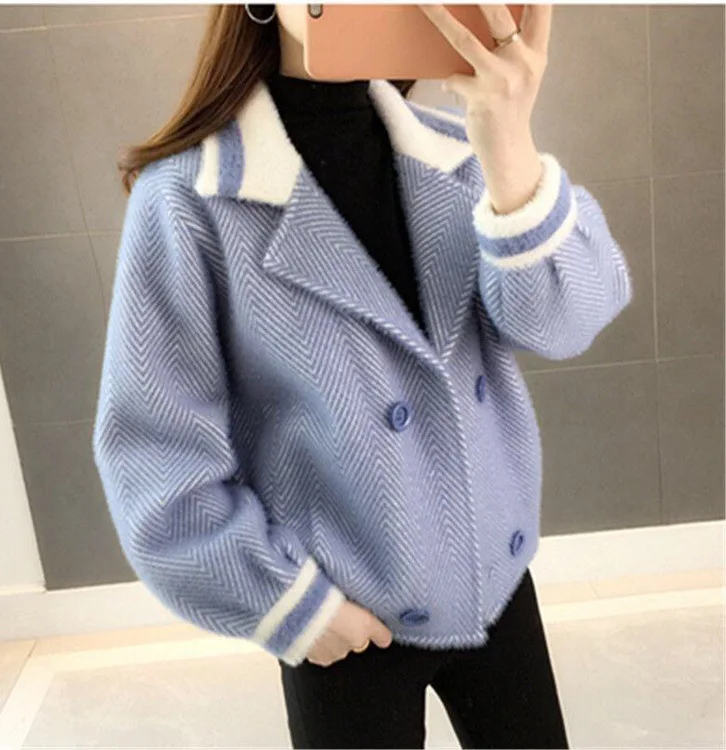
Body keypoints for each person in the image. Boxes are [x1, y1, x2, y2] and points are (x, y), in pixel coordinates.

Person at [92, 4, 632, 748]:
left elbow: (563, 324)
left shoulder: (461, 152)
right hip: (346, 619)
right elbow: (155, 455)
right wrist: (288, 605)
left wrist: (510, 142)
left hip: (498, 582)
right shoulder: (189, 200)